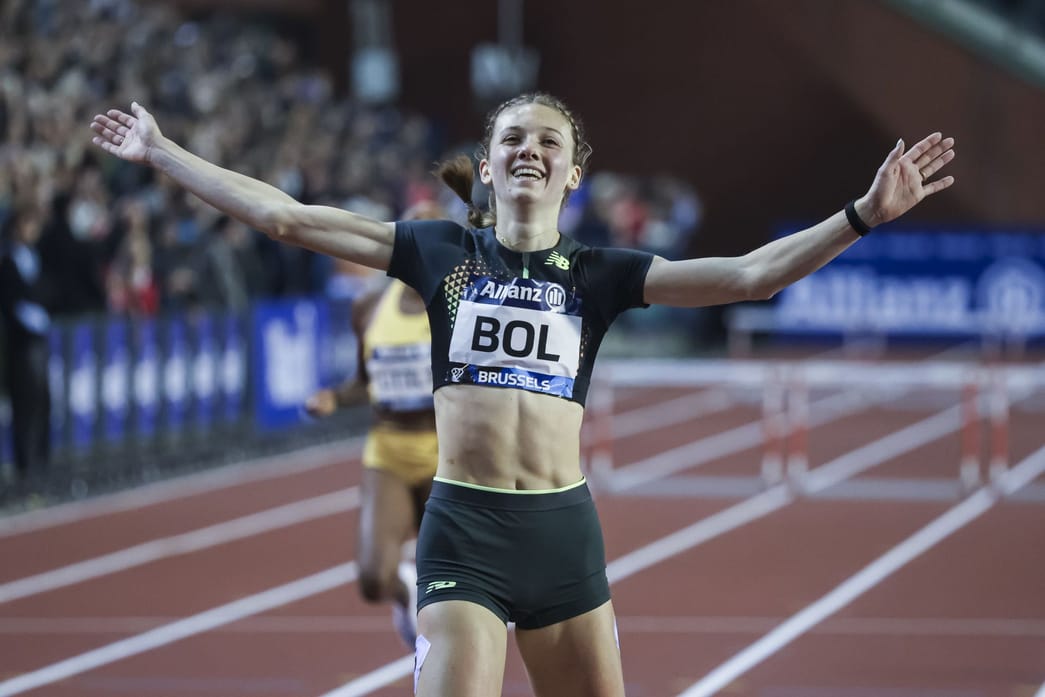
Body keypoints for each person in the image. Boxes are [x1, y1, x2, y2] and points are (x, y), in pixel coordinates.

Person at [90, 94, 955, 697]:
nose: (527, 150)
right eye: (511, 139)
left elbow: (748, 275)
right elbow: (285, 217)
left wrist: (861, 216)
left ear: (573, 173)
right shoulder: (436, 253)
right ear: (489, 166)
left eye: (547, 140)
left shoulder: (600, 273)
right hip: (464, 529)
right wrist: (162, 151)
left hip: (562, 533)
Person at [303, 200, 445, 650]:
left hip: (449, 454)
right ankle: (406, 593)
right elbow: (366, 383)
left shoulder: (459, 307)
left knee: (465, 585)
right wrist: (334, 398)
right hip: (389, 452)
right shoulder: (368, 307)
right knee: (371, 577)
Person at [0, 206, 53, 484]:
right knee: (25, 402)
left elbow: (46, 290)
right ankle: (25, 465)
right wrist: (31, 318)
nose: (33, 230)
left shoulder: (35, 256)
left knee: (43, 400)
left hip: (39, 338)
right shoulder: (8, 260)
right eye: (28, 224)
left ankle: (41, 461)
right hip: (21, 342)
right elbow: (10, 301)